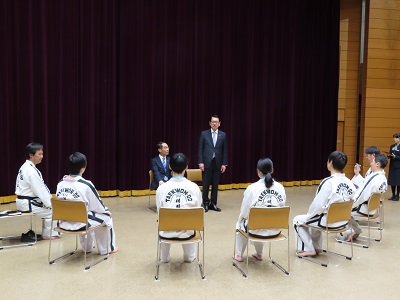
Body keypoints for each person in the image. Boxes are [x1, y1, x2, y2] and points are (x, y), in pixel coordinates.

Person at [293, 151, 356, 257]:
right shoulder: (350, 182)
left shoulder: (328, 182)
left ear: (330, 162)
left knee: (299, 220)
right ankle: (317, 247)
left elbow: (318, 206)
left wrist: (309, 216)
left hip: (329, 222)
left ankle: (308, 249)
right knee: (316, 216)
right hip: (343, 222)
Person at [56, 152, 118, 254]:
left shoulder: (60, 183)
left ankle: (87, 248)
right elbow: (98, 206)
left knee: (85, 214)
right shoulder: (86, 184)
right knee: (106, 217)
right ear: (82, 168)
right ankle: (107, 249)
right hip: (80, 224)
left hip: (62, 223)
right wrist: (107, 211)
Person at [233, 158, 286, 262]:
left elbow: (244, 212)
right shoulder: (280, 187)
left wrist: (241, 219)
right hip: (275, 230)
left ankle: (239, 255)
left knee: (241, 224)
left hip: (255, 230)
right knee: (262, 220)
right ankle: (259, 254)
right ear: (272, 170)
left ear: (258, 171)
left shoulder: (252, 188)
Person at [156, 153, 202, 263]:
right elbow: (198, 209)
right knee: (190, 222)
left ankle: (164, 258)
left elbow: (159, 211)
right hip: (188, 231)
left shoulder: (162, 189)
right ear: (187, 167)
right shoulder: (194, 187)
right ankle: (189, 257)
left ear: (170, 167)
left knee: (164, 222)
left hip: (166, 230)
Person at [15, 143, 59, 241]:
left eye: (42, 154)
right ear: (31, 155)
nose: (42, 157)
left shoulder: (25, 167)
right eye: (39, 154)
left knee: (49, 207)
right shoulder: (30, 170)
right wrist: (51, 203)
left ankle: (47, 232)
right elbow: (40, 191)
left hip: (24, 201)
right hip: (27, 203)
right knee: (53, 210)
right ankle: (48, 234)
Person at [341, 154, 388, 241]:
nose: (370, 164)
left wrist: (347, 205)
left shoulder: (374, 177)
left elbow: (361, 196)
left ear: (377, 164)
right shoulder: (383, 178)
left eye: (372, 162)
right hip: (372, 207)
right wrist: (357, 174)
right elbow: (365, 186)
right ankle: (357, 230)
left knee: (340, 210)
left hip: (364, 207)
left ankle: (350, 232)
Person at [198, 115, 228, 212]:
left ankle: (213, 203)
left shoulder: (223, 135)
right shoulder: (204, 134)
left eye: (216, 122)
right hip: (206, 162)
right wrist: (200, 162)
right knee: (206, 184)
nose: (214, 123)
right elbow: (200, 149)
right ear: (210, 123)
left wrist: (224, 164)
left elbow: (225, 150)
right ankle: (205, 203)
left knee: (215, 185)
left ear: (219, 123)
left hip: (217, 163)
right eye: (212, 122)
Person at [387, 133, 400, 201]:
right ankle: (393, 195)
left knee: (398, 181)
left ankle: (397, 195)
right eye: (394, 138)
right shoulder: (392, 146)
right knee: (392, 180)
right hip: (392, 165)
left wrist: (395, 156)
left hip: (398, 166)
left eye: (396, 138)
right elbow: (390, 153)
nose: (394, 139)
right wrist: (389, 155)